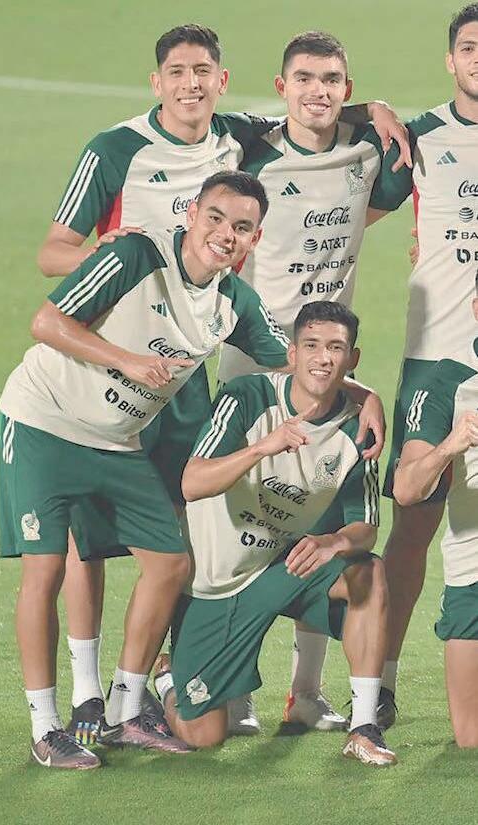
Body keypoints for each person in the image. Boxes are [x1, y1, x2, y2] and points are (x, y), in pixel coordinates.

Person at [37, 23, 407, 740]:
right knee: (103, 536)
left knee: (232, 531)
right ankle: (91, 694)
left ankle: (216, 687)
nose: (191, 85)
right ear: (157, 81)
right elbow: (54, 253)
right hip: (133, 364)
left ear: (221, 79)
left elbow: (313, 105)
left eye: (203, 72)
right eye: (177, 72)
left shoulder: (233, 139)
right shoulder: (120, 148)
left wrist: (376, 108)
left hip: (195, 374)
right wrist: (109, 252)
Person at [0, 171, 294, 769]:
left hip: (115, 442)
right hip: (43, 423)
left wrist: (361, 395)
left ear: (255, 239)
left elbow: (293, 362)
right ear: (191, 214)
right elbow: (46, 323)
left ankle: (125, 709)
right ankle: (45, 726)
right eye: (216, 218)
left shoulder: (234, 301)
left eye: (241, 227)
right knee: (46, 568)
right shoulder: (136, 254)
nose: (225, 234)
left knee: (169, 562)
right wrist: (126, 361)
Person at [217, 31, 412, 732]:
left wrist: (373, 110)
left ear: (345, 87)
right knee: (243, 526)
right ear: (280, 87)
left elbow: (393, 176)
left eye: (331, 80)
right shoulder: (251, 154)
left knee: (324, 521)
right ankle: (233, 691)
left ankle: (306, 694)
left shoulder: (368, 155)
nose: (316, 92)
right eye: (303, 79)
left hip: (326, 366)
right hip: (253, 368)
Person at [153, 301, 396, 767]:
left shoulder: (358, 428)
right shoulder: (247, 396)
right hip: (216, 582)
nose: (323, 358)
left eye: (336, 348)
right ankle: (168, 678)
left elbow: (365, 525)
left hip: (283, 568)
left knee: (369, 572)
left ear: (352, 359)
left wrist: (333, 542)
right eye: (312, 346)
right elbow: (192, 483)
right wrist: (263, 447)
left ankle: (364, 727)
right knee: (205, 734)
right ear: (293, 353)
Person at [369, 3, 478, 726]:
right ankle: (374, 683)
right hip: (437, 357)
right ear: (450, 60)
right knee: (412, 522)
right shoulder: (420, 138)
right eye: (469, 47)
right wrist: (369, 107)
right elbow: (346, 208)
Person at [393, 279, 478, 748]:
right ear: (476, 308)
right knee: (471, 738)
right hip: (473, 574)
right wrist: (450, 445)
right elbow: (407, 489)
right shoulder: (448, 383)